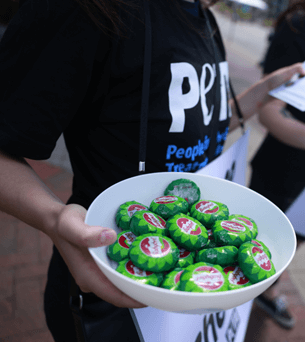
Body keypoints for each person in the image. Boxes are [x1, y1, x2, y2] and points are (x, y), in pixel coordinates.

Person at [0, 0, 304, 341]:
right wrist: (52, 219)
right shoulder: (84, 10)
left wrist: (264, 91)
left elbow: (199, 122)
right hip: (105, 287)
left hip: (186, 308)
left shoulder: (204, 16)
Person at [249, 0, 305, 330]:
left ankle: (266, 285)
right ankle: (255, 292)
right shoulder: (298, 26)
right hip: (282, 169)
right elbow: (269, 112)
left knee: (292, 240)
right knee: (262, 238)